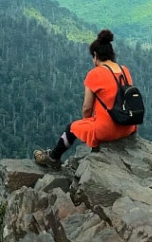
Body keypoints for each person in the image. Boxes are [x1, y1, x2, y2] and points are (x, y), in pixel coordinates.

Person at [34, 29, 136, 167]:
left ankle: (53, 157)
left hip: (107, 131)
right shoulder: (125, 70)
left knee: (71, 128)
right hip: (129, 127)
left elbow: (87, 108)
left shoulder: (95, 74)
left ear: (95, 55)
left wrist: (87, 124)